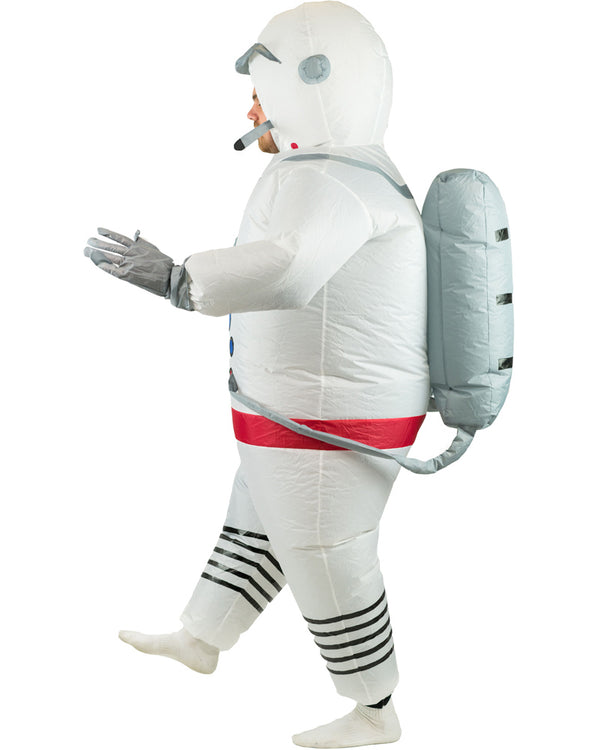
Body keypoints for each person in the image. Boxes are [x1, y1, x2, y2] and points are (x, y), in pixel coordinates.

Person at [85, 3, 430, 747]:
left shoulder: (335, 181)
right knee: (263, 520)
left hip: (331, 417)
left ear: (315, 81)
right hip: (302, 406)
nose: (250, 111)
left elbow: (289, 268)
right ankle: (201, 638)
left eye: (260, 93)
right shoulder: (329, 169)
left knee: (324, 550)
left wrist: (179, 279)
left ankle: (375, 708)